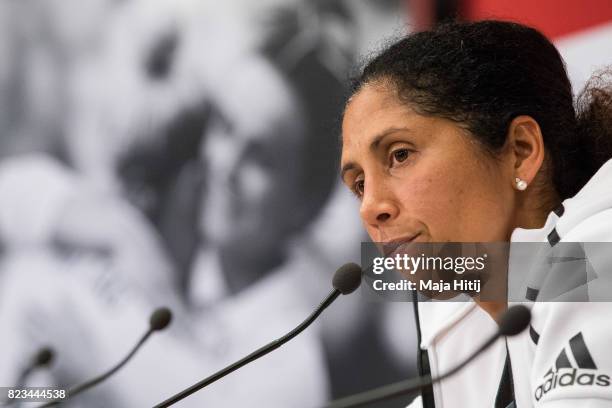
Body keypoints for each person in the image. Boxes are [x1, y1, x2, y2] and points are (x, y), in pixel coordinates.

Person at [340, 20, 612, 407]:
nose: (370, 208)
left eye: (400, 155)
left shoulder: (598, 258)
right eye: (359, 185)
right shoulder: (459, 336)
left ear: (520, 151)